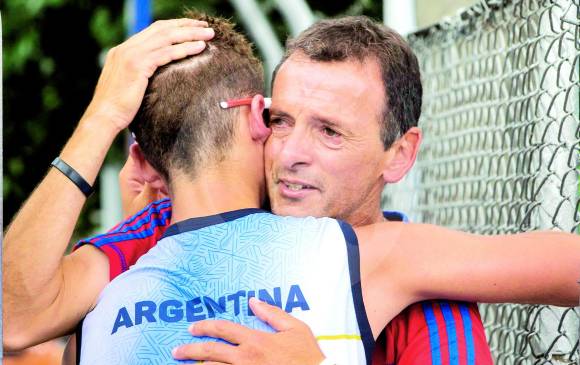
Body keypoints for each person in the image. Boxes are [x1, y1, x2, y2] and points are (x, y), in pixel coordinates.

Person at [4, 12, 579, 365]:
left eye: (329, 131)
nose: (292, 153)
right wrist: (104, 115)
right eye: (282, 121)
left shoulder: (409, 279)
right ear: (257, 119)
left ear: (399, 154)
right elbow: (14, 318)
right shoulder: (145, 243)